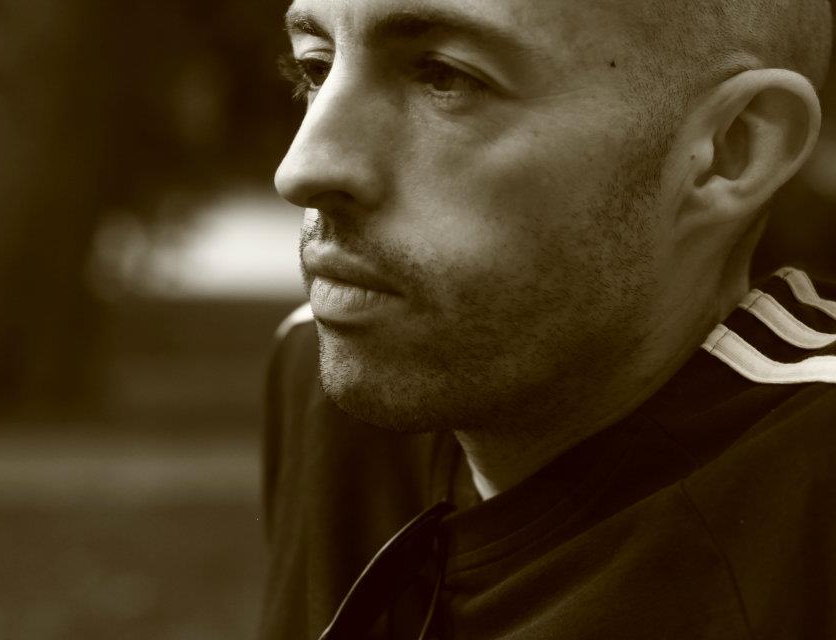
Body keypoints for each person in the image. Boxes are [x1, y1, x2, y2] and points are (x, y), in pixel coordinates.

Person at [260, 0, 836, 637]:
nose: (301, 168)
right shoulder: (323, 373)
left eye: (446, 76)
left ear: (730, 149)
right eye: (317, 68)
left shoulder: (814, 505)